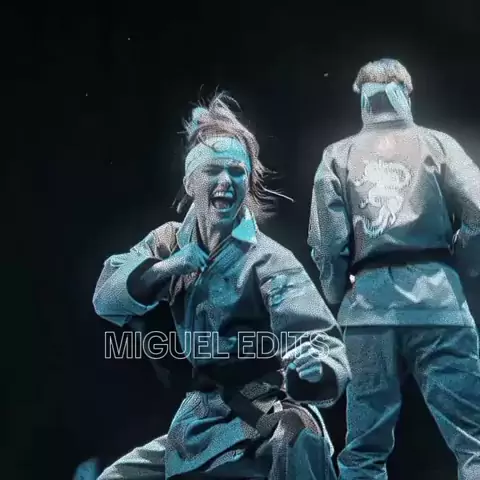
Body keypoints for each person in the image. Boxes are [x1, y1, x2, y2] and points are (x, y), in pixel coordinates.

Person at [93, 92, 351, 479]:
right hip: (199, 419)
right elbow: (106, 297)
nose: (226, 182)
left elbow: (320, 341)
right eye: (213, 170)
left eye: (237, 171)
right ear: (190, 181)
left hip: (261, 412)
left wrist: (316, 367)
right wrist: (165, 269)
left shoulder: (268, 260)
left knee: (299, 442)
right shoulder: (168, 242)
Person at [307, 58, 480, 480]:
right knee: (474, 442)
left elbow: (327, 243)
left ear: (361, 97)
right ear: (407, 92)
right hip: (438, 302)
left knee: (363, 450)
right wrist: (460, 264)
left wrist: (337, 293)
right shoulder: (437, 144)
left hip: (368, 309)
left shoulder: (339, 154)